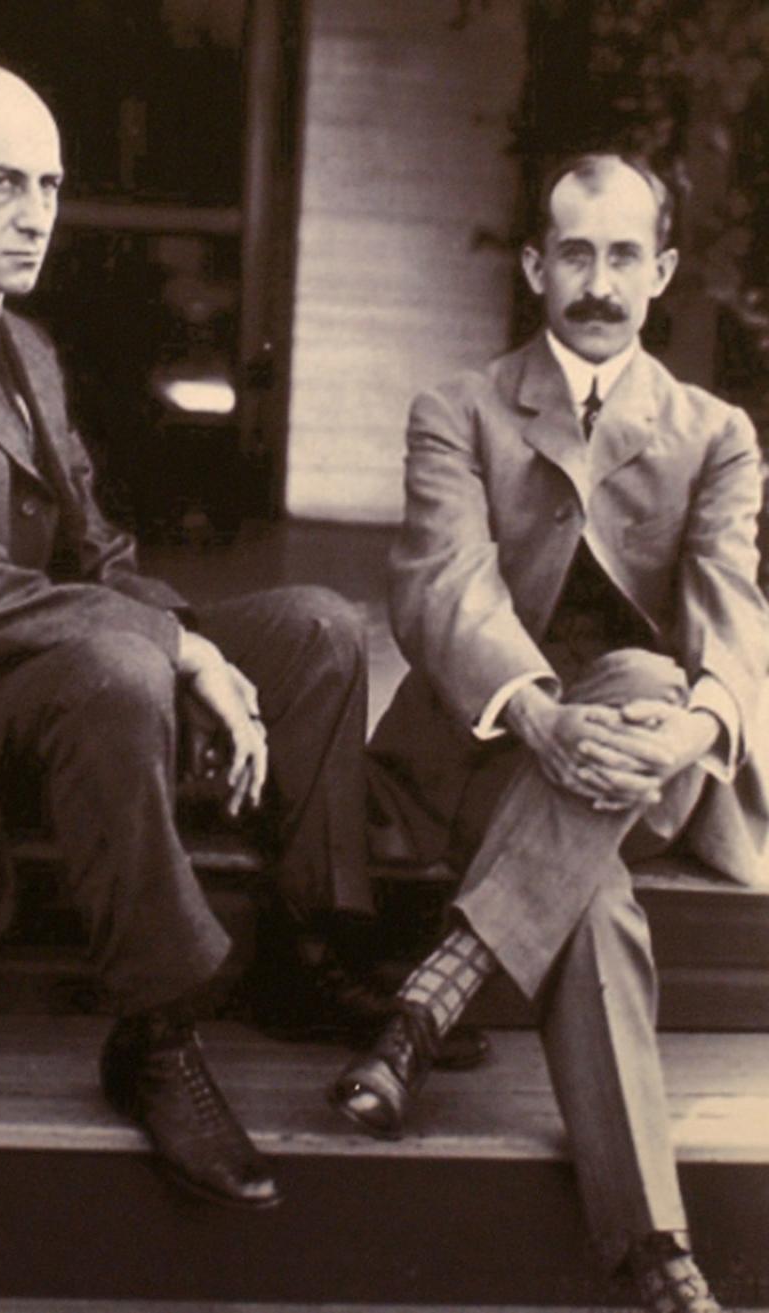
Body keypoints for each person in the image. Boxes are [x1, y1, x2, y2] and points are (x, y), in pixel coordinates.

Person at [0, 62, 396, 1212]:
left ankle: (303, 950)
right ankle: (156, 1031)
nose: (37, 214)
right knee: (119, 659)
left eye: (52, 184)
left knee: (319, 628)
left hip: (45, 693)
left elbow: (99, 556)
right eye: (2, 183)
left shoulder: (21, 345)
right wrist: (177, 651)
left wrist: (202, 640)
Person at [333, 152, 769, 1311]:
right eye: (576, 251)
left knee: (641, 673)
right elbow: (442, 589)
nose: (600, 280)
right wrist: (534, 708)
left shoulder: (715, 431)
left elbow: (733, 608)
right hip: (491, 747)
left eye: (626, 254)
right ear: (536, 266)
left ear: (662, 269)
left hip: (649, 760)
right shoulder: (460, 411)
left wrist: (700, 729)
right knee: (601, 905)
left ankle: (437, 987)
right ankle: (652, 1247)